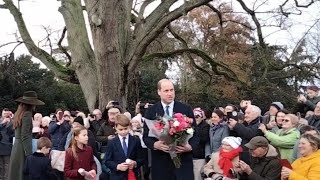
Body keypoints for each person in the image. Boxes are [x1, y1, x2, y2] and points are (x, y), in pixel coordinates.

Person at [143, 79, 199, 180]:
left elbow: (195, 133)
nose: (170, 94)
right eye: (166, 91)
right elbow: (146, 136)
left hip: (183, 163)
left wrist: (190, 147)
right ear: (159, 92)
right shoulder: (151, 111)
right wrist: (155, 145)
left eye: (172, 90)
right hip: (161, 164)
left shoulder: (185, 109)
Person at [8, 91, 45, 180]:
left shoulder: (18, 113)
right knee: (22, 174)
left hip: (16, 147)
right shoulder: (27, 114)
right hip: (22, 149)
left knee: (16, 173)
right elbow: (24, 135)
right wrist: (29, 154)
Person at [105, 114, 144, 180]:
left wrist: (135, 163)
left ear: (129, 126)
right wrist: (117, 166)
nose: (123, 132)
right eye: (120, 129)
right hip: (117, 176)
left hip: (132, 175)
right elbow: (107, 161)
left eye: (125, 129)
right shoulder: (112, 142)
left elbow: (141, 158)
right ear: (115, 128)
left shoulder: (135, 140)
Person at [192, 107, 210, 180]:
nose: (196, 118)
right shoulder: (189, 125)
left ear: (202, 117)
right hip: (190, 155)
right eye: (194, 116)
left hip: (199, 156)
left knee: (198, 177)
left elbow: (204, 139)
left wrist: (195, 129)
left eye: (198, 116)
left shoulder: (205, 126)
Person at [0, 108, 14, 180]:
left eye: (6, 114)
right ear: (1, 114)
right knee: (0, 165)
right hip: (0, 145)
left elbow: (13, 132)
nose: (5, 115)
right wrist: (2, 123)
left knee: (7, 165)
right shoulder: (0, 121)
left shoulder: (11, 122)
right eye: (4, 114)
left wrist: (12, 120)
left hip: (7, 145)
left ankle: (6, 178)